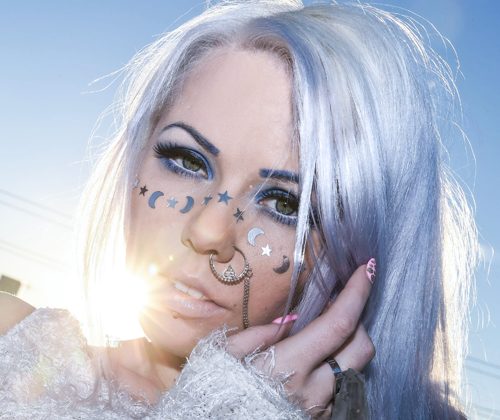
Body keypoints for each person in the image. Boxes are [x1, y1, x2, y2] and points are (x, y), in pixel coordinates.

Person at [0, 0, 477, 419]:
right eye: (187, 161)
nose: (208, 230)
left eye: (283, 203)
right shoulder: (11, 342)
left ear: (351, 263)